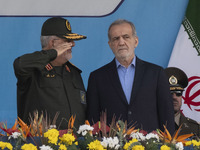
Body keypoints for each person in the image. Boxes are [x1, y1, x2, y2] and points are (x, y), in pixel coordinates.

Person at [86, 19, 175, 134]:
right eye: (116, 38)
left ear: (136, 41)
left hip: (150, 145)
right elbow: (93, 120)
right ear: (110, 45)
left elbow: (166, 114)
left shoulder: (156, 73)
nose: (121, 42)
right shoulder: (97, 77)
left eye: (126, 37)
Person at [13, 17, 87, 130]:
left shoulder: (74, 72)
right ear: (52, 43)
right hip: (40, 144)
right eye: (67, 41)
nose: (73, 44)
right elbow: (19, 64)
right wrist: (52, 53)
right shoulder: (33, 70)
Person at [164, 67, 200, 137]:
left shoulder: (195, 128)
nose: (174, 97)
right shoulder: (151, 126)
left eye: (178, 93)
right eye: (170, 93)